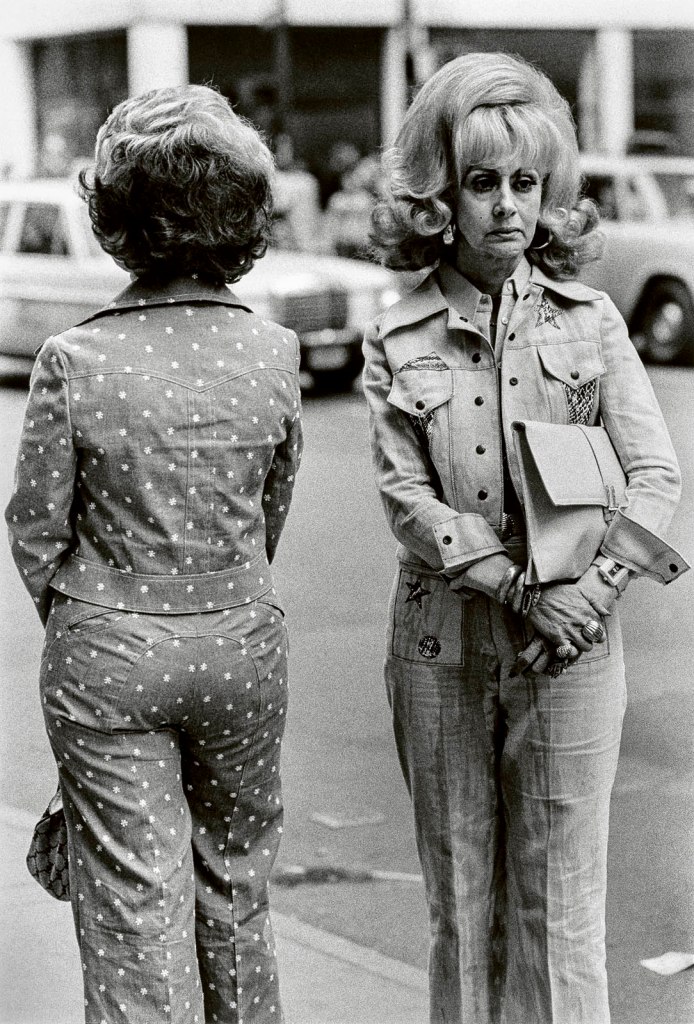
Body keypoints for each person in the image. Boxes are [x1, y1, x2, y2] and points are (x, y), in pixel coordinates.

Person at [362, 52, 685, 1024]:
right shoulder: (397, 339)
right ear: (437, 196)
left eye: (524, 182)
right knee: (462, 912)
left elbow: (654, 473)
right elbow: (407, 501)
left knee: (562, 912)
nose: (505, 206)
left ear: (548, 192)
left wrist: (587, 596)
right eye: (479, 182)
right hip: (442, 651)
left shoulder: (591, 323)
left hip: (572, 654)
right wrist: (517, 588)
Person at [6, 84, 302, 1024]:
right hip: (243, 641)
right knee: (236, 886)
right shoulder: (276, 353)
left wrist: (87, 613)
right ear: (243, 220)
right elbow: (269, 509)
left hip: (109, 649)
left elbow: (34, 526)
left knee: (135, 904)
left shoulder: (76, 358)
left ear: (115, 221)